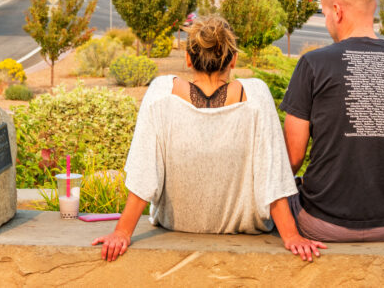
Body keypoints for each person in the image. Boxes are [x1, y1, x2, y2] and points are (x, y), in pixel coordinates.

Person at [92, 15, 326, 262]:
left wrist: (122, 232)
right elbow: (273, 173)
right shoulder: (256, 95)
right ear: (233, 59)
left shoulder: (161, 92)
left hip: (177, 224)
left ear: (188, 59)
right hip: (246, 228)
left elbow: (144, 172)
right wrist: (291, 236)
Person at [280, 0, 384, 242]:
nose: (326, 20)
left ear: (337, 11)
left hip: (321, 222)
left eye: (325, 13)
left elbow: (292, 158)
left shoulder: (312, 64)